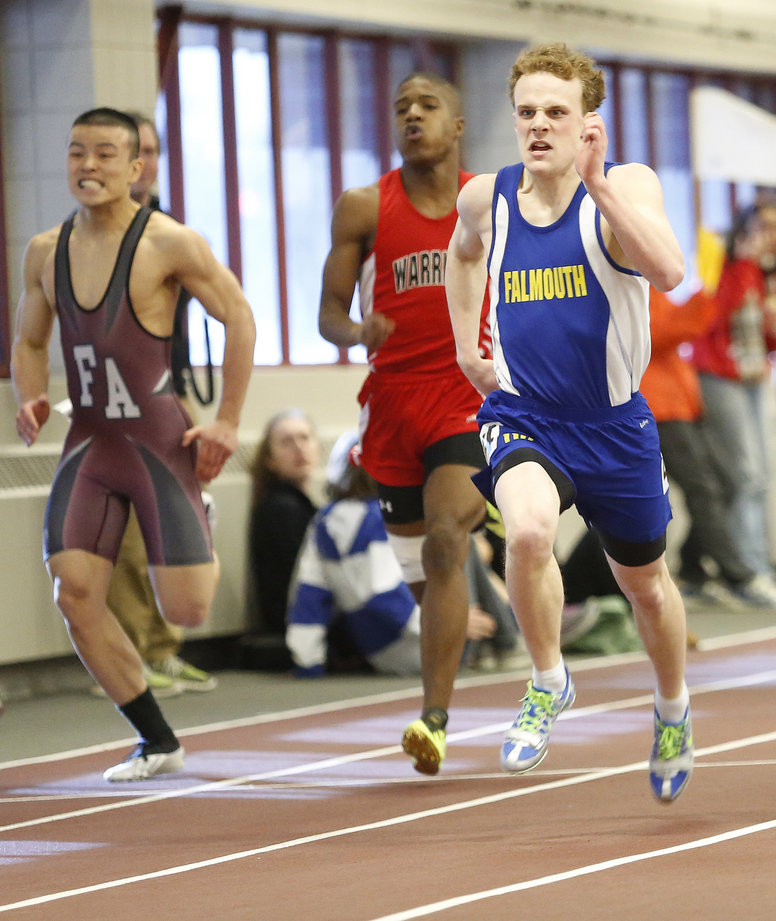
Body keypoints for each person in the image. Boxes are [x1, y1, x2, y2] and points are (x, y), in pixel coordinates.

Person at [446, 43, 693, 802]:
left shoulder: (625, 184)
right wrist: (466, 346)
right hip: (527, 414)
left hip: (615, 425)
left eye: (556, 112)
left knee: (644, 584)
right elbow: (461, 257)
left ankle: (673, 707)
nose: (539, 126)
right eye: (526, 113)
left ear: (588, 120)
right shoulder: (487, 198)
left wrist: (599, 186)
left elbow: (669, 270)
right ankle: (548, 680)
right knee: (525, 531)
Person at [11, 107, 255, 781]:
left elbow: (237, 314)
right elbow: (30, 339)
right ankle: (156, 738)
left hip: (157, 442)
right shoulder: (44, 250)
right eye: (75, 152)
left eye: (104, 154)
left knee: (187, 608)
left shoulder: (168, 243)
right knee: (74, 592)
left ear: (136, 168)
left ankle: (197, 515)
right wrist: (28, 396)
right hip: (89, 442)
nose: (88, 166)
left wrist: (228, 420)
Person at [318, 72, 490, 775]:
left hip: (466, 395)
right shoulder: (363, 207)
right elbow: (326, 313)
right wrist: (357, 327)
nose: (412, 116)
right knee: (425, 570)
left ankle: (435, 719)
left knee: (448, 542)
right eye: (401, 109)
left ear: (457, 127)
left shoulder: (491, 204)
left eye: (428, 107)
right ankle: (456, 642)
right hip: (391, 405)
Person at [100, 111, 217, 698]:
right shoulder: (87, 233)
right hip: (108, 404)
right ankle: (124, 656)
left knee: (165, 526)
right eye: (132, 149)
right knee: (115, 534)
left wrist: (185, 397)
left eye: (149, 150)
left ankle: (164, 649)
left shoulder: (170, 231)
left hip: (164, 397)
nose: (139, 162)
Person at [286, 431, 521, 677]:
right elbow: (384, 595)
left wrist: (307, 661)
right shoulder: (382, 519)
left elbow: (308, 593)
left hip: (378, 653)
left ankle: (506, 637)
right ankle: (506, 641)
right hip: (431, 644)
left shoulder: (322, 521)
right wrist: (450, 622)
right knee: (458, 537)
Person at [643, 284, 776, 609]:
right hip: (659, 407)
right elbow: (659, 333)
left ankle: (692, 572)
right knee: (704, 490)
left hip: (681, 405)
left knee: (725, 485)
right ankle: (740, 578)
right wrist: (705, 296)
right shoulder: (630, 285)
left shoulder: (649, 284)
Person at [692, 202, 776, 580]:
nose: (770, 235)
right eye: (763, 225)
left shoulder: (769, 279)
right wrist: (746, 265)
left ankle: (758, 564)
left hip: (752, 379)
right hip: (719, 377)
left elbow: (769, 341)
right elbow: (712, 319)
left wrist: (774, 322)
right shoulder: (729, 268)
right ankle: (747, 571)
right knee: (746, 475)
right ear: (746, 228)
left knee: (762, 474)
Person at [243, 409, 321, 671]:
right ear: (270, 461)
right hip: (295, 623)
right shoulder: (282, 509)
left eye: (304, 438)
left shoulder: (296, 505)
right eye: (287, 442)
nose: (299, 448)